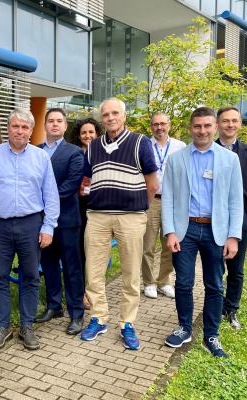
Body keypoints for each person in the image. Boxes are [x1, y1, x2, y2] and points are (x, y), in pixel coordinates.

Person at [0, 108, 59, 351]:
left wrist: (48, 227)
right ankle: (2, 327)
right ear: (8, 129)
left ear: (31, 131)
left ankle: (27, 326)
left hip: (31, 224)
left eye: (25, 127)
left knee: (30, 277)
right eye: (15, 126)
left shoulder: (41, 158)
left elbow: (50, 195)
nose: (20, 131)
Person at [162, 106, 243, 358]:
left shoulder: (230, 159)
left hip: (215, 231)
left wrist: (233, 236)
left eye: (208, 126)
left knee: (214, 285)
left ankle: (211, 335)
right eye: (197, 126)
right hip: (185, 229)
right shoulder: (177, 159)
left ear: (215, 127)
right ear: (190, 128)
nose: (202, 131)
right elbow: (168, 199)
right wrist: (170, 232)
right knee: (183, 282)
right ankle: (184, 327)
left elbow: (235, 201)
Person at [81, 98, 158, 350]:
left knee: (130, 272)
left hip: (131, 217)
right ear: (101, 119)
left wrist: (140, 208)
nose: (111, 118)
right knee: (93, 271)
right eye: (106, 114)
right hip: (98, 217)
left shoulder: (140, 143)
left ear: (124, 116)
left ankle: (127, 323)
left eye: (115, 113)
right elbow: (87, 179)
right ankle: (98, 317)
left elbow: (152, 182)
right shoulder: (93, 147)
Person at [35, 108, 85, 335]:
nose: (55, 124)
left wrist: (43, 201)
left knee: (72, 268)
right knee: (49, 265)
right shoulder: (34, 151)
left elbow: (72, 184)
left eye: (59, 121)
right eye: (50, 121)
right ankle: (54, 306)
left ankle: (76, 313)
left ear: (65, 126)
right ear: (45, 125)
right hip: (41, 222)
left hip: (66, 221)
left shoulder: (75, 153)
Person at [216, 106, 247, 330]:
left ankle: (231, 309)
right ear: (218, 124)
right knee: (215, 267)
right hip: (212, 220)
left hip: (241, 220)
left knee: (237, 269)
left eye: (234, 121)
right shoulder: (207, 150)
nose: (230, 125)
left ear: (240, 125)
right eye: (225, 121)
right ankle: (214, 306)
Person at [141, 113, 186, 299]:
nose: (159, 127)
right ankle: (149, 282)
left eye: (162, 124)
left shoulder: (180, 146)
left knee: (169, 244)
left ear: (169, 124)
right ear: (151, 127)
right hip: (150, 200)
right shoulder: (144, 145)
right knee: (148, 244)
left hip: (172, 201)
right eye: (155, 124)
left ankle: (164, 281)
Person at [71, 117, 100, 310]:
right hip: (79, 208)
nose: (87, 135)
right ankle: (81, 293)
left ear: (97, 134)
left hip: (99, 207)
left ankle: (95, 291)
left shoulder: (103, 152)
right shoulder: (74, 154)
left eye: (91, 132)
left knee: (96, 253)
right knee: (81, 252)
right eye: (84, 132)